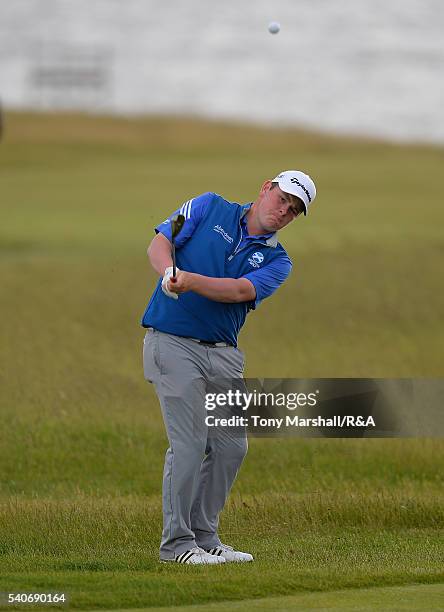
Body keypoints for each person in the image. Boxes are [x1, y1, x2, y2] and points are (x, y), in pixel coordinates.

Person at [141, 170, 317, 565]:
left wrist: (188, 280)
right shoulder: (206, 206)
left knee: (231, 446)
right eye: (282, 199)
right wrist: (169, 273)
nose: (283, 211)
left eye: (293, 210)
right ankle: (177, 546)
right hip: (171, 343)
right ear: (266, 188)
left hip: (223, 354)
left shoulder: (277, 261)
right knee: (188, 446)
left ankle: (204, 537)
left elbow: (238, 291)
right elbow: (162, 239)